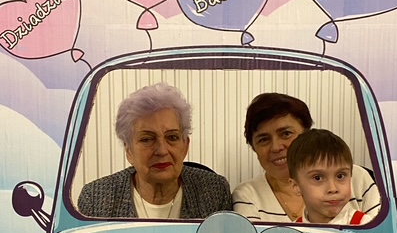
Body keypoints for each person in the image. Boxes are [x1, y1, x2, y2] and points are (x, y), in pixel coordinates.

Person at [77, 83, 232, 219]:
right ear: (129, 150)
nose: (162, 150)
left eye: (172, 137)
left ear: (185, 146)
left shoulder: (214, 193)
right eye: (147, 139)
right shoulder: (95, 200)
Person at [232, 92, 380, 222]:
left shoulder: (358, 177)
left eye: (286, 134)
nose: (276, 147)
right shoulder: (247, 196)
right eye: (264, 139)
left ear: (306, 135)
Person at [288, 129, 370, 225]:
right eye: (318, 178)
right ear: (296, 186)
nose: (333, 189)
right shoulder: (291, 231)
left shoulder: (367, 226)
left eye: (340, 176)